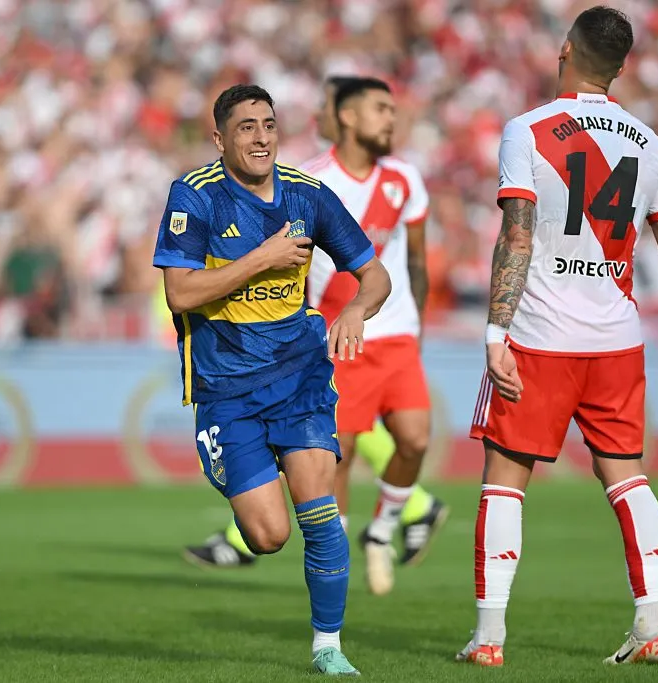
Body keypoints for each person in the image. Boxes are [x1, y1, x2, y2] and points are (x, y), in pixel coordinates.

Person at [456, 6, 658, 668]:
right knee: (627, 476)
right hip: (615, 336)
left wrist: (496, 330)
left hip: (541, 335)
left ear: (564, 49)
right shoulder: (649, 142)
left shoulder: (527, 129)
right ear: (622, 66)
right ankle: (655, 622)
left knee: (503, 480)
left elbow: (517, 230)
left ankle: (489, 637)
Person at [154, 84, 391, 676]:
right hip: (226, 387)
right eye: (246, 128)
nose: (261, 137)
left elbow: (375, 275)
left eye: (268, 124)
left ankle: (328, 647)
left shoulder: (309, 195)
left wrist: (357, 309)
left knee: (321, 511)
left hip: (300, 374)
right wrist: (263, 257)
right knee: (267, 536)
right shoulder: (195, 197)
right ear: (220, 139)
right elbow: (179, 293)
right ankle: (237, 475)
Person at [185, 76, 449, 576]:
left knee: (414, 439)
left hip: (391, 330)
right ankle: (331, 547)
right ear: (348, 117)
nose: (392, 119)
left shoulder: (405, 180)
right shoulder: (309, 181)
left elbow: (411, 261)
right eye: (381, 109)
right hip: (329, 337)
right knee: (336, 453)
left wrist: (416, 322)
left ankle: (387, 523)